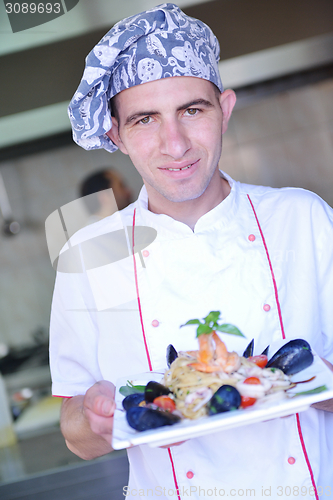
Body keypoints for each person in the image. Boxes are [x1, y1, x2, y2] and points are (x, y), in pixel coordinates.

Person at [50, 4, 333, 498]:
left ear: (224, 109)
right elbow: (78, 437)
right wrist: (90, 417)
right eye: (144, 120)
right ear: (116, 134)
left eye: (192, 110)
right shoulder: (89, 252)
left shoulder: (302, 217)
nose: (174, 144)